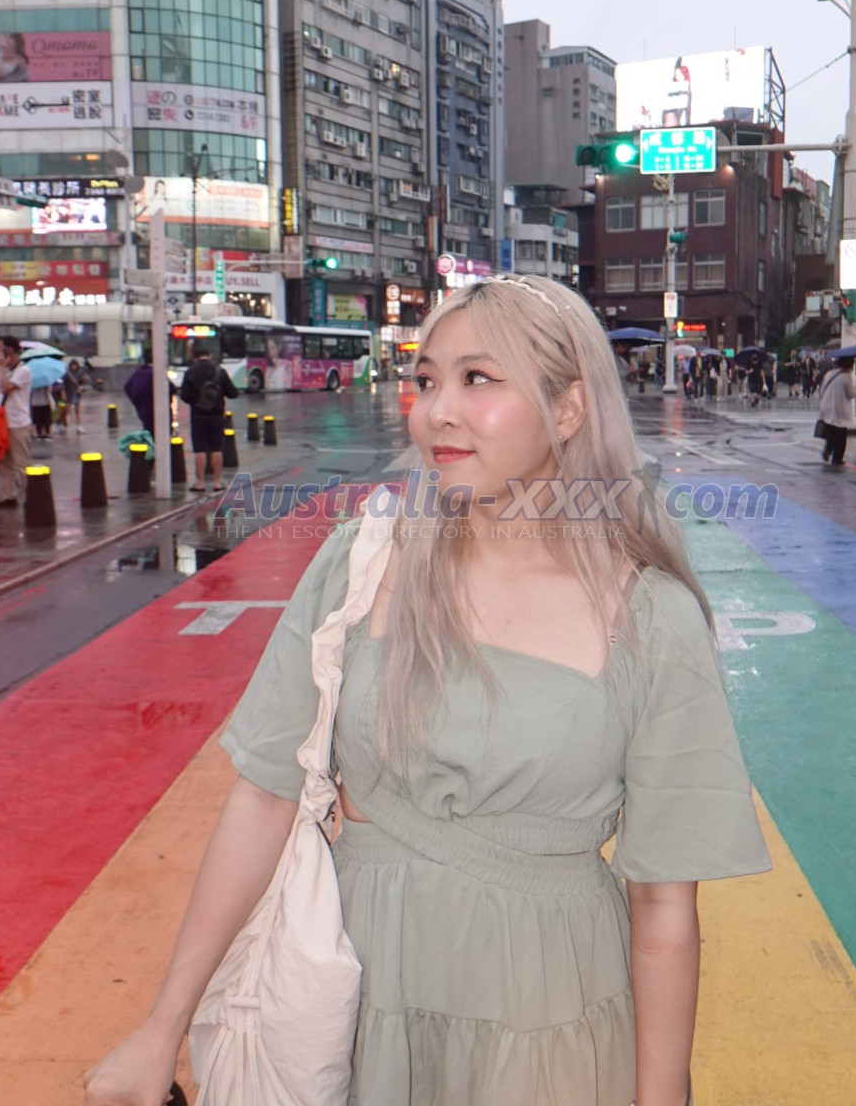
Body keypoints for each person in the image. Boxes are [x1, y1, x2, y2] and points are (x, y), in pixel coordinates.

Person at [83, 273, 770, 1106]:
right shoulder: (362, 562)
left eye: (478, 378)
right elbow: (265, 795)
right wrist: (161, 1029)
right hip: (354, 1009)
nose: (436, 411)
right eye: (427, 378)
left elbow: (663, 908)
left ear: (568, 409)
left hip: (548, 1024)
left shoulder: (651, 615)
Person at [178, 344, 238, 492]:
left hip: (198, 415)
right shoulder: (220, 371)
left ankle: (200, 483)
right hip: (217, 415)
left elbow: (184, 396)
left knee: (199, 449)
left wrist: (196, 401)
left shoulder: (190, 372)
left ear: (195, 359)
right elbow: (233, 393)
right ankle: (217, 482)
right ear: (209, 356)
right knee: (217, 448)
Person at [0, 335, 33, 508]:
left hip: (18, 422)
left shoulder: (23, 371)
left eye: (1, 348)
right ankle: (8, 496)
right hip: (4, 422)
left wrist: (2, 367)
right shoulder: (9, 370)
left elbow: (6, 388)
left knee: (21, 462)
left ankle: (31, 495)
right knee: (4, 461)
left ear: (9, 349)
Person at [818, 355, 856, 466]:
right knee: (841, 433)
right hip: (839, 408)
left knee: (831, 430)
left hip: (827, 405)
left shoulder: (829, 374)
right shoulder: (846, 376)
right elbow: (850, 394)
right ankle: (837, 458)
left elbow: (821, 390)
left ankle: (827, 450)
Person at [123, 349, 173, 437]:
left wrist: (137, 402)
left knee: (149, 433)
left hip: (144, 411)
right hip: (160, 411)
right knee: (162, 435)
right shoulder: (156, 373)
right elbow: (171, 388)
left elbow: (127, 387)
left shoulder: (139, 373)